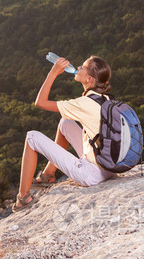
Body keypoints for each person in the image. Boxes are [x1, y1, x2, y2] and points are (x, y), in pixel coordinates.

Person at [12, 55, 116, 212]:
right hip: (108, 166)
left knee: (32, 137)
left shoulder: (83, 103)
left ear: (89, 79)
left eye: (83, 67)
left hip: (92, 174)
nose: (78, 67)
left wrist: (53, 73)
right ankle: (48, 174)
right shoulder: (106, 98)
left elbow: (40, 102)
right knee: (65, 123)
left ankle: (23, 197)